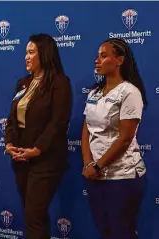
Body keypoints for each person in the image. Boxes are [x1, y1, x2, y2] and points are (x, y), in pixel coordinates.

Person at [4, 34, 72, 239]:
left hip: (46, 159)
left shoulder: (59, 82)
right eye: (26, 52)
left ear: (45, 53)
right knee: (31, 214)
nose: (26, 56)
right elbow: (12, 118)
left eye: (31, 52)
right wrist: (8, 143)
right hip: (21, 158)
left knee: (35, 214)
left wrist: (37, 149)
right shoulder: (23, 83)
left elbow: (58, 122)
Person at [81, 38, 147, 239]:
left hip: (122, 177)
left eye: (104, 56)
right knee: (105, 230)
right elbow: (86, 131)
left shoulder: (129, 92)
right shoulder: (94, 92)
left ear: (119, 60)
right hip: (95, 176)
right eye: (97, 56)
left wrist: (99, 166)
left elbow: (125, 138)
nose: (97, 60)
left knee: (122, 232)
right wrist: (88, 164)